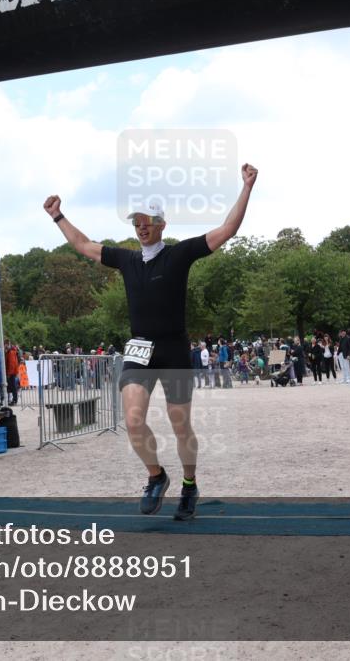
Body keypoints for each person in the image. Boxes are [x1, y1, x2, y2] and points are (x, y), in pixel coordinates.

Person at [43, 162, 258, 520]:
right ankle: (156, 477)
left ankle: (190, 485)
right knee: (132, 419)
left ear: (162, 224)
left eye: (147, 222)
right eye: (136, 222)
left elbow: (227, 230)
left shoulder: (179, 255)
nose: (141, 227)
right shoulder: (126, 259)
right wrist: (58, 216)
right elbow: (82, 245)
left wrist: (247, 187)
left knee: (180, 424)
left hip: (173, 347)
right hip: (139, 348)